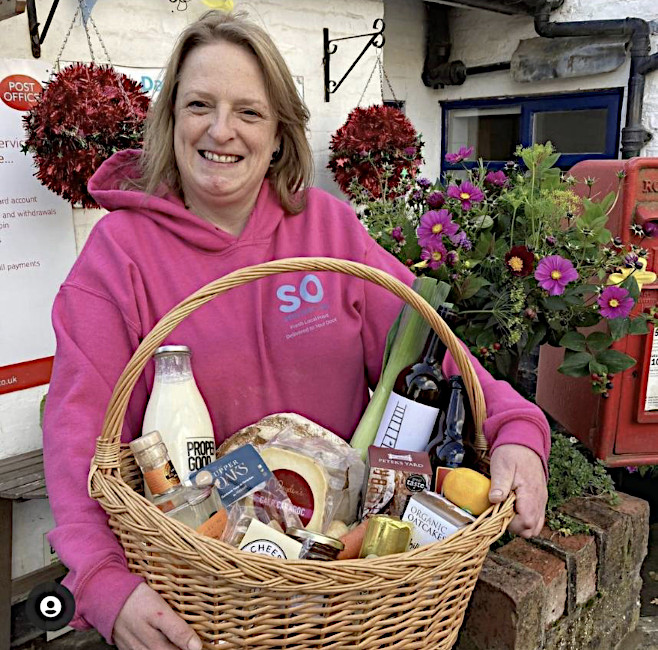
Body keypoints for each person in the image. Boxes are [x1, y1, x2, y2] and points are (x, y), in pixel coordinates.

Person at [42, 10, 549, 650]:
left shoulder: (328, 233)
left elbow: (424, 348)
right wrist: (101, 579)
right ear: (169, 120)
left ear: (279, 133)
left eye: (248, 112)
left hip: (341, 595)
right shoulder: (117, 256)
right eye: (199, 104)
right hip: (202, 593)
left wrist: (513, 428)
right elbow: (76, 433)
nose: (220, 130)